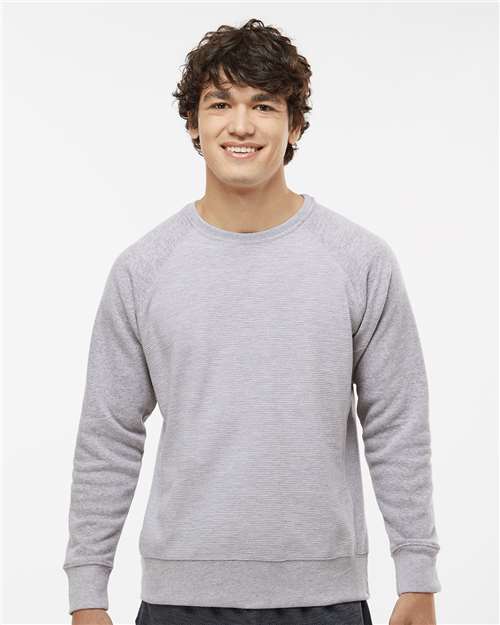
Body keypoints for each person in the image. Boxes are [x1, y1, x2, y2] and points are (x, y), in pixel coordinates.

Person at [62, 18, 441, 625]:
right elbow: (109, 435)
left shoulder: (360, 261)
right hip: (180, 600)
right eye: (220, 103)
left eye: (263, 105)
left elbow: (397, 423)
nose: (241, 125)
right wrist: (87, 592)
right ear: (194, 122)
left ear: (294, 126)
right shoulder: (143, 269)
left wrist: (417, 574)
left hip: (325, 599)